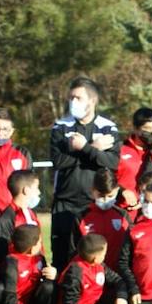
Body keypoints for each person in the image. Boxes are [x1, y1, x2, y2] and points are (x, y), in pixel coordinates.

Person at [49, 77, 121, 269]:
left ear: (92, 101)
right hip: (65, 203)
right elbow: (58, 162)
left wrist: (83, 148)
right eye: (71, 98)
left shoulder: (108, 127)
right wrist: (92, 149)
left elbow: (112, 163)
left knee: (93, 260)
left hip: (94, 204)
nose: (73, 102)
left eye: (78, 98)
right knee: (61, 258)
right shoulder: (61, 127)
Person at [56, 233, 127, 304]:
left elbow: (118, 280)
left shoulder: (100, 266)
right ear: (96, 258)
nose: (105, 256)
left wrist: (121, 297)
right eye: (104, 253)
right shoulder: (75, 273)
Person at [0, 224, 57, 304]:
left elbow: (47, 290)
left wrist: (54, 274)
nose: (41, 245)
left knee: (48, 287)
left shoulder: (40, 259)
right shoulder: (12, 262)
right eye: (39, 242)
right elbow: (10, 298)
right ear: (31, 248)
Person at [77, 168, 130, 270]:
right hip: (91, 277)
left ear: (117, 190)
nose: (105, 200)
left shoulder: (123, 216)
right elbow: (74, 252)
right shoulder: (81, 218)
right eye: (101, 196)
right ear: (93, 191)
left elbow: (129, 249)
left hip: (119, 275)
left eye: (110, 196)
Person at [0, 108, 31, 214]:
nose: (0, 133)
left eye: (5, 129)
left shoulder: (22, 153)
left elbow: (29, 183)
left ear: (12, 131)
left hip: (16, 214)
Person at [0, 170, 41, 261]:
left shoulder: (31, 213)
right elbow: (2, 253)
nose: (39, 192)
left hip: (34, 268)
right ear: (26, 190)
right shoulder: (7, 218)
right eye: (37, 188)